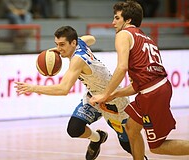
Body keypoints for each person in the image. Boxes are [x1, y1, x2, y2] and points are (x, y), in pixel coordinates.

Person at [15, 26, 149, 160]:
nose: (59, 49)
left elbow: (63, 89)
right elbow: (92, 39)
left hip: (114, 100)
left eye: (62, 45)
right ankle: (97, 138)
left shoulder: (77, 60)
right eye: (57, 44)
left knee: (127, 144)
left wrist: (33, 88)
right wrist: (74, 43)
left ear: (73, 43)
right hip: (94, 97)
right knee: (74, 129)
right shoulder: (79, 44)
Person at [89, 1, 189, 160]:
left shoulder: (123, 34)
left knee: (157, 147)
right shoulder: (146, 38)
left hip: (152, 93)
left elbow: (122, 68)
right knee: (131, 128)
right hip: (155, 88)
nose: (113, 22)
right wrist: (113, 94)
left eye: (117, 18)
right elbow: (139, 84)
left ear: (127, 20)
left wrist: (104, 94)